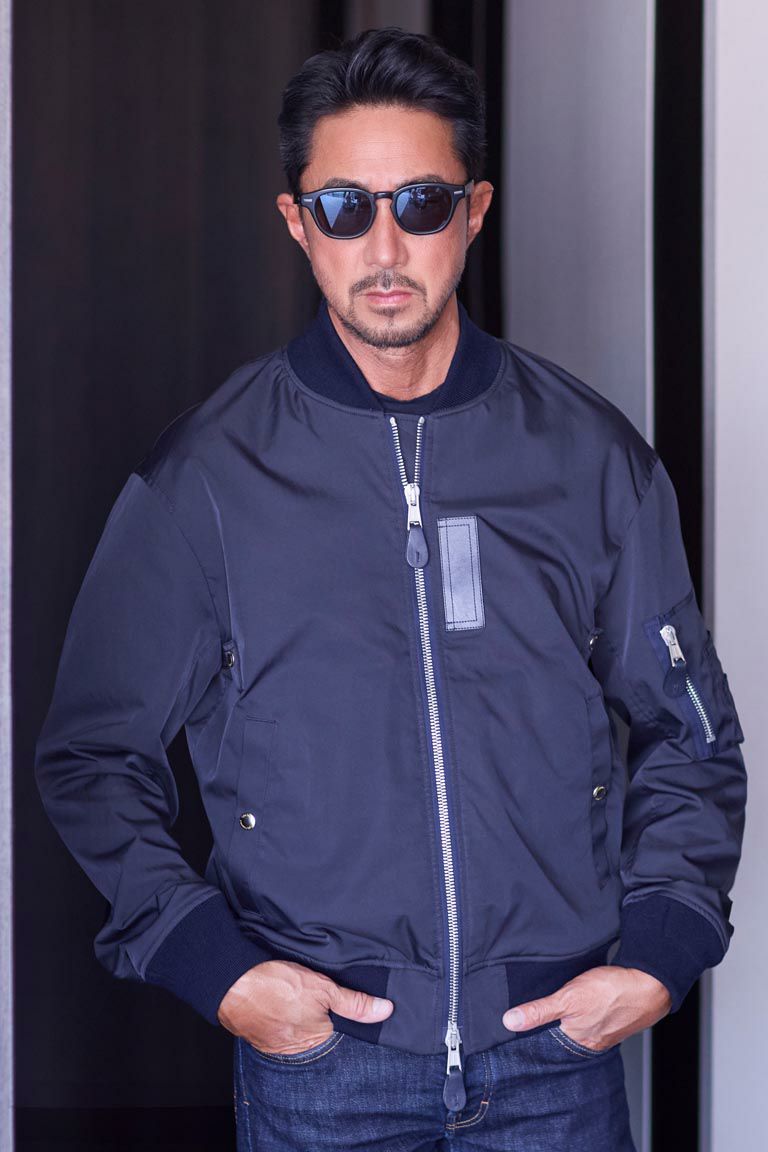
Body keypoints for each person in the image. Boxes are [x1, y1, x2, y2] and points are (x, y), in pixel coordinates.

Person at [35, 25, 747, 1152]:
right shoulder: (207, 479)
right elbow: (91, 753)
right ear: (296, 222)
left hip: (554, 1059)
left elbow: (691, 732)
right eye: (342, 208)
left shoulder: (591, 460)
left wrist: (662, 953)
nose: (383, 246)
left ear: (474, 211)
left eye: (420, 204)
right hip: (323, 1067)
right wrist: (217, 970)